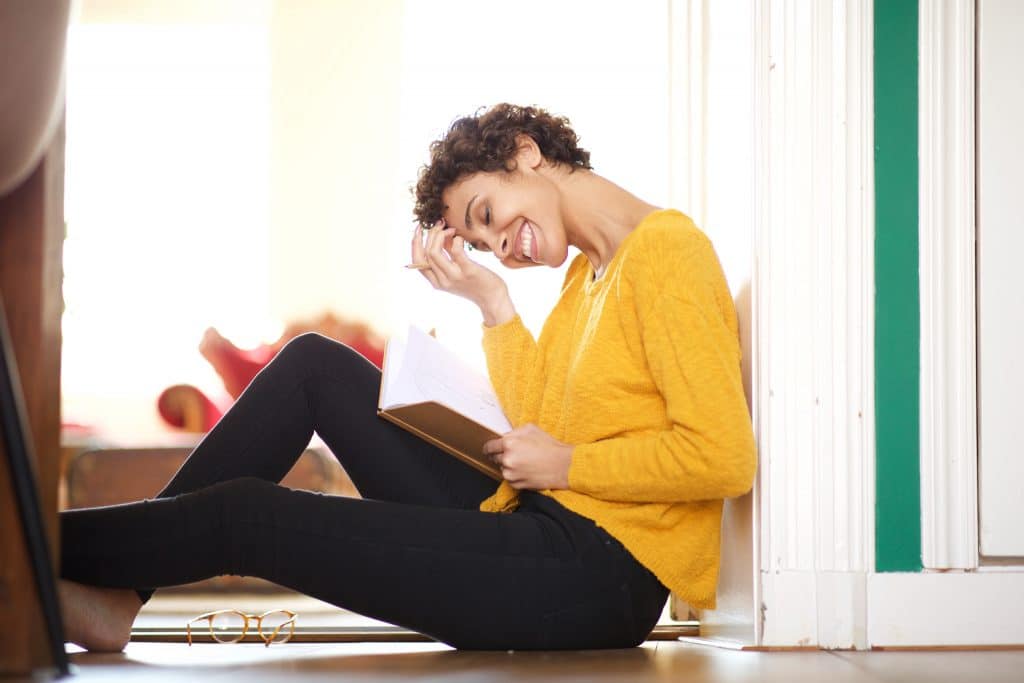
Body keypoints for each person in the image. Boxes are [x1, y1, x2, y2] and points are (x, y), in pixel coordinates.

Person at [58, 103, 757, 653]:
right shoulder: (584, 278)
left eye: (486, 215)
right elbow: (537, 421)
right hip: (540, 520)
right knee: (313, 364)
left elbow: (722, 456)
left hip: (599, 574)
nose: (500, 246)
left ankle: (25, 546)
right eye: (482, 240)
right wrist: (491, 302)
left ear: (525, 152)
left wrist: (567, 462)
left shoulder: (668, 253)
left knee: (248, 513)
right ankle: (117, 597)